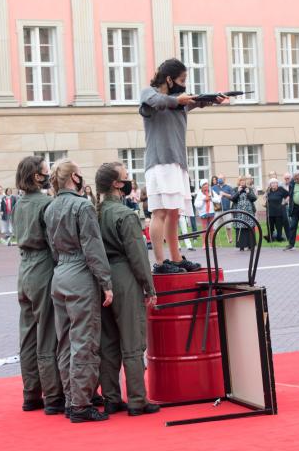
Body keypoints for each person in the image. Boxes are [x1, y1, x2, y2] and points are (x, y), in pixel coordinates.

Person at [44, 159, 113, 423]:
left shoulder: (50, 208)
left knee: (65, 342)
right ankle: (81, 404)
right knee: (84, 339)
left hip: (59, 273)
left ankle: (72, 400)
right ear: (74, 177)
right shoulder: (82, 206)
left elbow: (53, 246)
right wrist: (106, 283)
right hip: (80, 273)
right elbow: (93, 248)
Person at [140, 58, 223, 274]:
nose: (184, 84)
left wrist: (212, 99)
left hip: (177, 163)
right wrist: (181, 100)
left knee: (174, 212)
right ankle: (159, 262)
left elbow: (194, 101)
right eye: (182, 79)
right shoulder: (149, 94)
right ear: (169, 79)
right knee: (159, 212)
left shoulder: (178, 101)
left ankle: (176, 259)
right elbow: (159, 101)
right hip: (160, 163)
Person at [95, 162, 161, 417]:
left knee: (108, 342)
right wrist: (149, 286)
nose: (129, 179)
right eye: (125, 177)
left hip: (101, 278)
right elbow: (138, 256)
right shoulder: (125, 215)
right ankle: (136, 399)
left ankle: (111, 398)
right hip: (124, 276)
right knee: (133, 342)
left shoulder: (94, 212)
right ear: (116, 184)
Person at [12, 156, 64, 416]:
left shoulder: (18, 204)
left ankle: (31, 393)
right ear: (36, 177)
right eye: (45, 172)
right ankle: (53, 395)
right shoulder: (46, 204)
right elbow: (54, 243)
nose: (48, 175)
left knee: (28, 333)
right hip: (42, 265)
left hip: (24, 269)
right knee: (47, 333)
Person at [231, 176, 257, 251]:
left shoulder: (249, 189)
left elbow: (254, 198)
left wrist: (248, 193)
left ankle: (250, 245)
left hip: (249, 211)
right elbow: (233, 199)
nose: (242, 182)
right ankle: (241, 245)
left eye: (244, 181)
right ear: (238, 182)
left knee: (249, 227)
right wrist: (238, 192)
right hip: (239, 212)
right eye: (241, 181)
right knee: (240, 227)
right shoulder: (235, 189)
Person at [193, 179, 220, 249]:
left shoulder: (211, 191)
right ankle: (205, 244)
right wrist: (203, 200)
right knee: (204, 230)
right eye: (204, 185)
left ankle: (212, 244)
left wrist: (211, 199)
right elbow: (196, 204)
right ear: (201, 186)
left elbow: (218, 199)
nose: (206, 186)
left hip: (211, 212)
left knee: (211, 229)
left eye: (207, 184)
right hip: (203, 213)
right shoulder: (199, 194)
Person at [213, 174, 235, 244]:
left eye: (221, 178)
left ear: (224, 179)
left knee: (228, 226)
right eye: (219, 178)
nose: (220, 180)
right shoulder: (214, 188)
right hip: (217, 209)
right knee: (215, 226)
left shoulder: (228, 187)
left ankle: (230, 239)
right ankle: (215, 240)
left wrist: (225, 194)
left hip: (226, 209)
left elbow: (233, 197)